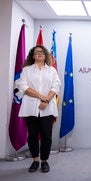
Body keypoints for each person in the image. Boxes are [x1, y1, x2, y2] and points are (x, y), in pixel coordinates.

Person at [17, 45, 61, 173]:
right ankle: (35, 160)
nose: (39, 54)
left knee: (47, 135)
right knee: (32, 135)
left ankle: (44, 161)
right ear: (33, 55)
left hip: (47, 107)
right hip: (30, 107)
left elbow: (56, 85)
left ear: (45, 55)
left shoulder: (52, 70)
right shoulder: (26, 70)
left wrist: (46, 99)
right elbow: (23, 86)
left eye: (42, 52)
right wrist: (41, 96)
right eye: (37, 52)